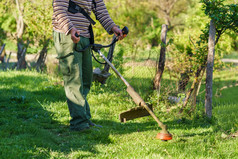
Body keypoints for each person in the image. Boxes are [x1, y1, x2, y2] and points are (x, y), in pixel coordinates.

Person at [52, 0, 125, 132]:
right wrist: (70, 28)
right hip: (67, 34)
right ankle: (79, 123)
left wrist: (113, 28)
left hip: (84, 36)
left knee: (85, 79)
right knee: (74, 80)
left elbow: (101, 11)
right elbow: (59, 10)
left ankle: (84, 118)